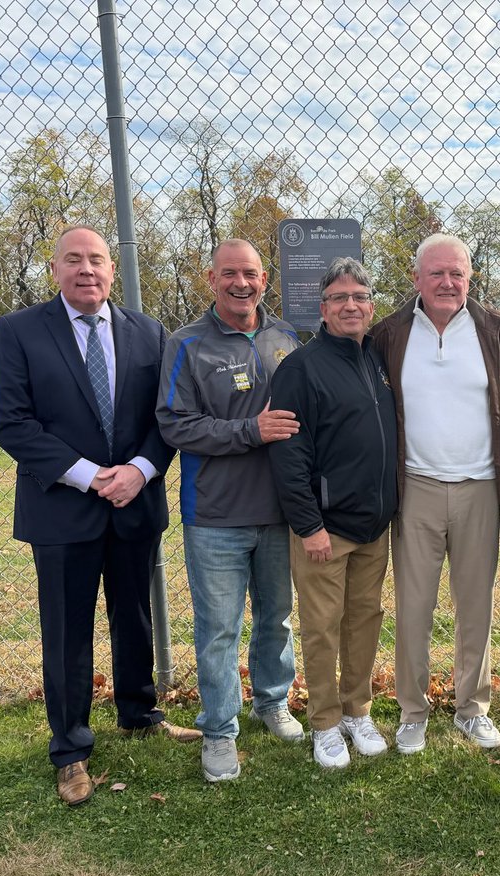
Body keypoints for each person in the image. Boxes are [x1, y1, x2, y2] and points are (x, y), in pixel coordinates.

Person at [0, 225, 198, 807]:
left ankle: (139, 712)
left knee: (134, 616)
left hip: (134, 501)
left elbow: (168, 416)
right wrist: (86, 473)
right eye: (74, 260)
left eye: (97, 260)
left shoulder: (147, 332)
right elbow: (11, 422)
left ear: (112, 270)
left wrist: (140, 469)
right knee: (66, 631)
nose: (87, 270)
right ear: (54, 268)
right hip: (62, 508)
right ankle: (71, 748)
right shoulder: (20, 332)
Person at [370, 234, 500, 755]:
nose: (447, 282)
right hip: (414, 485)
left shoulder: (496, 330)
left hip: (480, 486)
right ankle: (412, 712)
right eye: (436, 273)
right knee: (413, 606)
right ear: (416, 279)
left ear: (469, 277)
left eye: (457, 273)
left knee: (475, 606)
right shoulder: (389, 334)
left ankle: (471, 708)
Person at [156, 239, 304, 783]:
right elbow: (174, 423)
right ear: (211, 279)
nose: (241, 283)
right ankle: (219, 730)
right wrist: (249, 430)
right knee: (219, 629)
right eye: (229, 274)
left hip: (280, 510)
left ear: (265, 280)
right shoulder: (187, 343)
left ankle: (272, 701)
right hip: (215, 513)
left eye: (251, 274)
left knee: (277, 618)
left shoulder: (285, 337)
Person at [269, 258, 397, 770]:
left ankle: (356, 711)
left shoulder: (376, 360)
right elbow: (289, 454)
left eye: (360, 297)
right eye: (340, 298)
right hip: (326, 528)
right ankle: (324, 722)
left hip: (374, 525)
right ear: (322, 309)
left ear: (370, 306)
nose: (351, 305)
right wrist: (309, 525)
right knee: (322, 626)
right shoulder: (301, 367)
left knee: (364, 620)